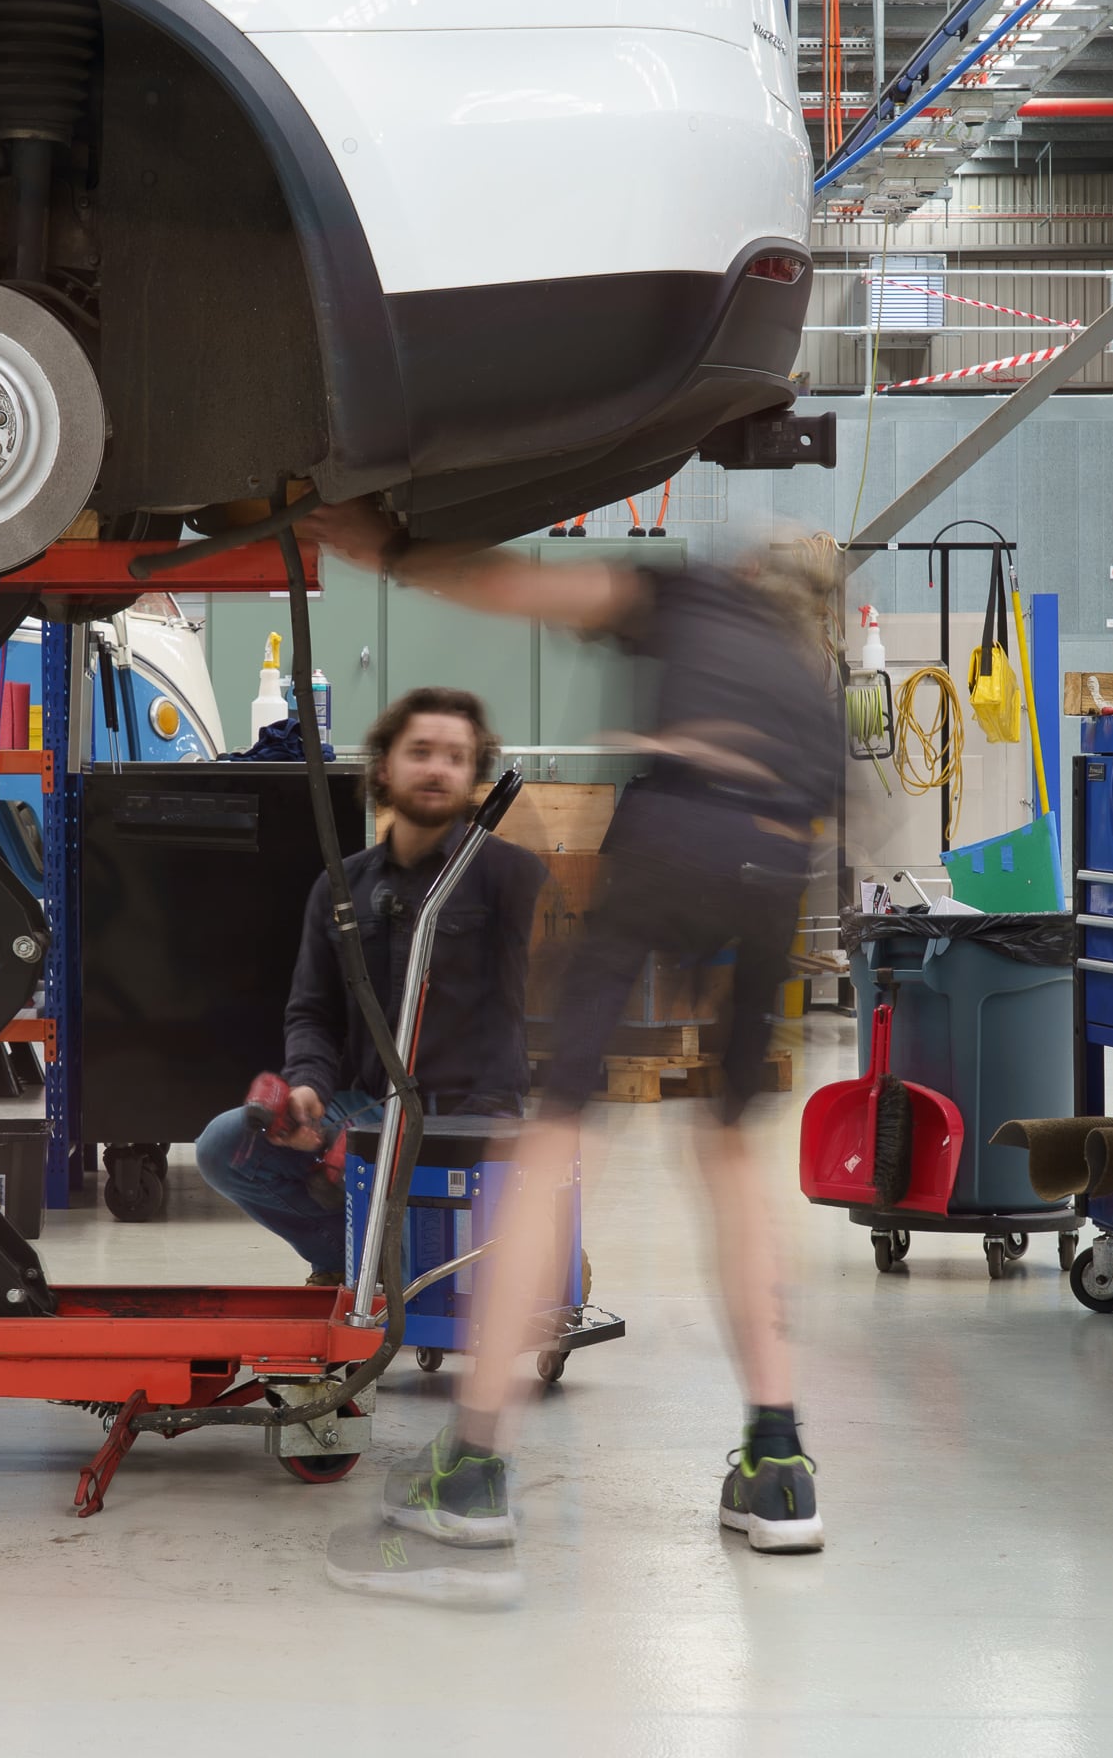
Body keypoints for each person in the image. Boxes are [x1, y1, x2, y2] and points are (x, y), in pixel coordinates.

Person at [305, 503, 839, 1602]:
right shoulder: (807, 682)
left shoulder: (689, 591)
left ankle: (476, 1464)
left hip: (674, 824)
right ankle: (779, 1462)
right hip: (780, 856)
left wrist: (396, 551)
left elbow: (523, 586)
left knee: (549, 1138)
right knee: (731, 1150)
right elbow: (852, 823)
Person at [193, 688, 545, 1281]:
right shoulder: (342, 887)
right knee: (224, 1147)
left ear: (473, 777)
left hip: (472, 1110)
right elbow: (313, 1013)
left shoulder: (510, 879)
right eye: (421, 751)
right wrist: (308, 1089)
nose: (437, 768)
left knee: (454, 1267)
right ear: (385, 766)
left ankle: (444, 1252)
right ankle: (352, 1253)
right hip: (368, 1101)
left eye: (456, 757)